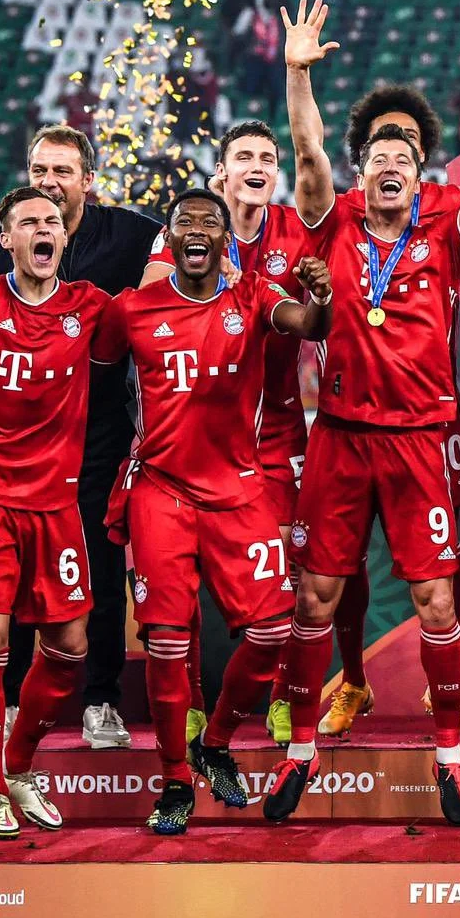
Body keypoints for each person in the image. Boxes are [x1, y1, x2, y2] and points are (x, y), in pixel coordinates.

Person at [261, 4, 460, 826]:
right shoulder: (333, 219)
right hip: (342, 439)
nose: (390, 165)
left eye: (404, 158)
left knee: (438, 606)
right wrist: (298, 73)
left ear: (420, 175)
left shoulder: (445, 224)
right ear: (362, 172)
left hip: (419, 440)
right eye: (378, 157)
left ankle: (450, 761)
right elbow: (306, 150)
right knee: (315, 599)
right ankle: (299, 752)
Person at [107, 189, 330, 834]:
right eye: (186, 222)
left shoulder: (252, 296)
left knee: (271, 632)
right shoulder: (132, 310)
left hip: (238, 489)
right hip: (162, 491)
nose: (198, 230)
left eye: (211, 222)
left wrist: (321, 297)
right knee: (167, 641)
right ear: (171, 239)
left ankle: (217, 740)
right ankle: (176, 779)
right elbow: (85, 373)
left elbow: (311, 325)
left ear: (225, 239)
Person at [0, 126, 163, 749]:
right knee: (16, 578)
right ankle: (8, 703)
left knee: (100, 569)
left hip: (100, 437)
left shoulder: (132, 236)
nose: (49, 182)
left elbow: (177, 265)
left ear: (88, 180)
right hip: (17, 450)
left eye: (62, 171)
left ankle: (100, 701)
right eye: (39, 170)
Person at [140, 120, 318, 746]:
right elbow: (150, 297)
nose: (257, 166)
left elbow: (317, 313)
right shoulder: (192, 230)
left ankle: (282, 697)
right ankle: (190, 701)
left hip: (275, 431)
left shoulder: (297, 232)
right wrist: (221, 282)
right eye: (244, 156)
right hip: (198, 437)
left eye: (268, 157)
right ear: (221, 172)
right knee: (181, 578)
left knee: (287, 572)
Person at [0, 188, 120, 838]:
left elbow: (158, 309)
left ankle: (18, 765)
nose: (43, 229)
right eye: (28, 222)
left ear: (63, 237)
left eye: (52, 221)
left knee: (70, 647)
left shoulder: (90, 306)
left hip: (56, 502)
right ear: (7, 240)